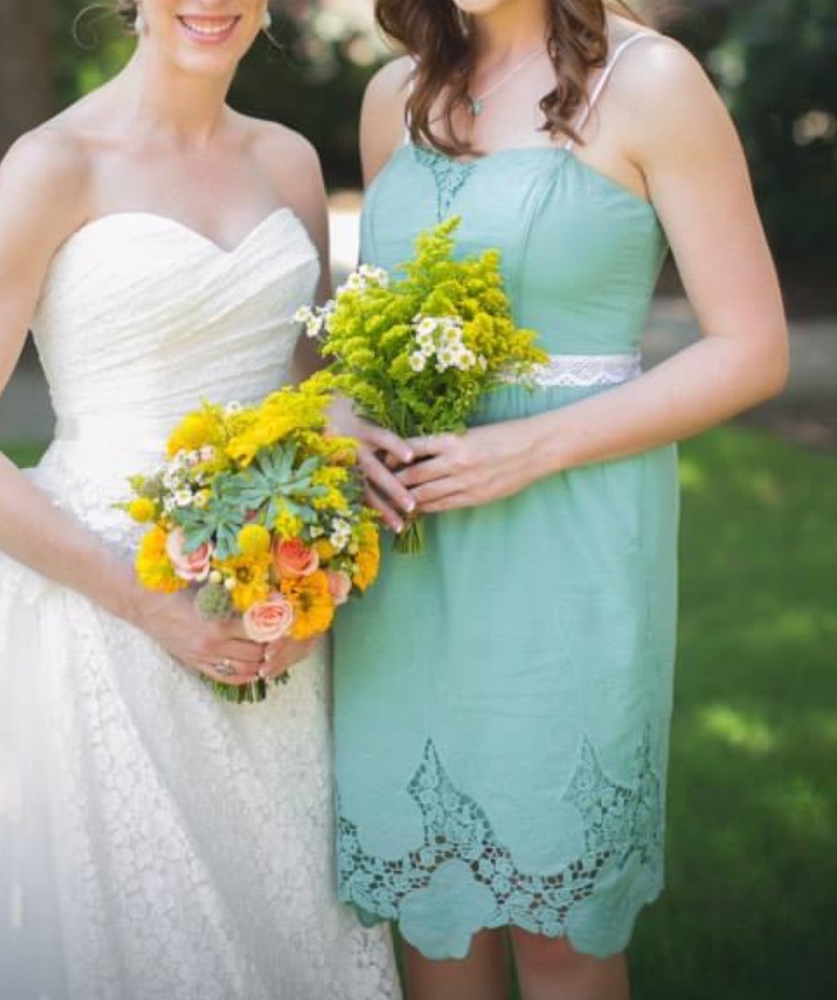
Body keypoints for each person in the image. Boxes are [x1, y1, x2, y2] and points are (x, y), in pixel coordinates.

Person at [0, 3, 400, 998]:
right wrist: (148, 603)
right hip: (97, 608)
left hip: (266, 611)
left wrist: (312, 566)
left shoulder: (288, 162)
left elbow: (307, 385)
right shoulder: (53, 165)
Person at [330, 2, 788, 999]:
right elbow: (376, 321)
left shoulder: (651, 81)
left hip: (570, 534)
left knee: (559, 932)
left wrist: (528, 448)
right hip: (407, 546)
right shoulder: (393, 95)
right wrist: (340, 410)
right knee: (433, 916)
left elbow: (752, 348)